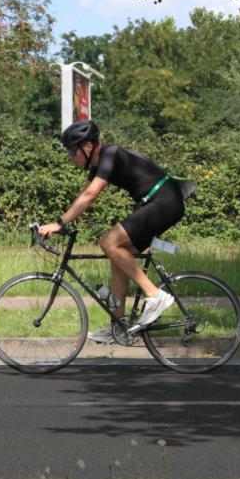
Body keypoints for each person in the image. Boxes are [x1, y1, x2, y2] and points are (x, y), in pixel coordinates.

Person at [38, 120, 184, 343]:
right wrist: (63, 222)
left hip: (165, 201)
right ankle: (119, 327)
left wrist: (59, 223)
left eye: (72, 151)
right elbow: (84, 194)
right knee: (117, 254)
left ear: (87, 147)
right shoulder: (98, 164)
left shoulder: (110, 153)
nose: (70, 156)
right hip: (157, 202)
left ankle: (155, 295)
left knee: (108, 242)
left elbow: (91, 195)